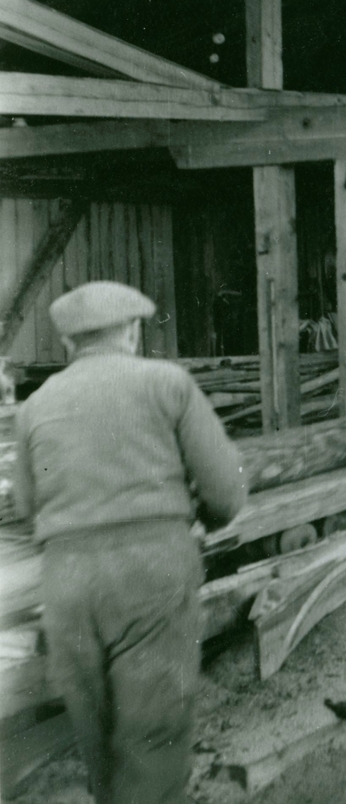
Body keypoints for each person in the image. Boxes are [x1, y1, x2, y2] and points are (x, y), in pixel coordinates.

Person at [12, 282, 247, 804]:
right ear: (133, 332)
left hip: (68, 581)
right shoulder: (168, 383)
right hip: (151, 570)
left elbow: (29, 507)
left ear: (70, 343)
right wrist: (199, 520)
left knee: (99, 742)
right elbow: (226, 491)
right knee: (152, 741)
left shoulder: (37, 404)